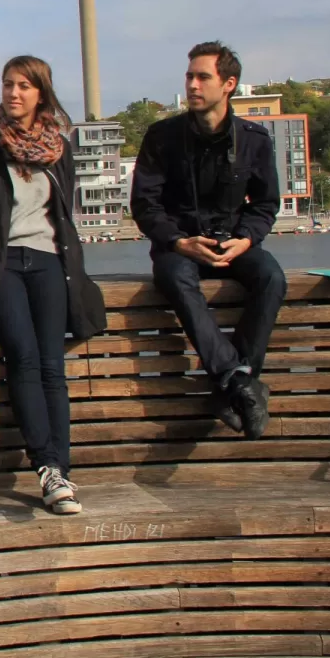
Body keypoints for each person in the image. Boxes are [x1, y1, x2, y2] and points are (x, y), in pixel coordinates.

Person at [0, 56, 104, 516]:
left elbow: (61, 213)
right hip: (1, 264)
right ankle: (47, 467)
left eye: (24, 86)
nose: (13, 93)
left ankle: (61, 473)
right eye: (8, 84)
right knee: (24, 357)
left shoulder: (58, 148)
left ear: (41, 93)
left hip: (49, 261)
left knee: (53, 366)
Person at [131, 41, 282, 439]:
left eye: (202, 77)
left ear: (228, 84)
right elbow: (145, 205)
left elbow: (266, 204)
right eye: (189, 77)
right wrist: (178, 241)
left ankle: (234, 385)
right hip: (179, 245)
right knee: (176, 276)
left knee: (272, 277)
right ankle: (239, 382)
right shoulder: (162, 137)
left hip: (234, 242)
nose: (192, 85)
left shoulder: (254, 139)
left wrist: (245, 240)